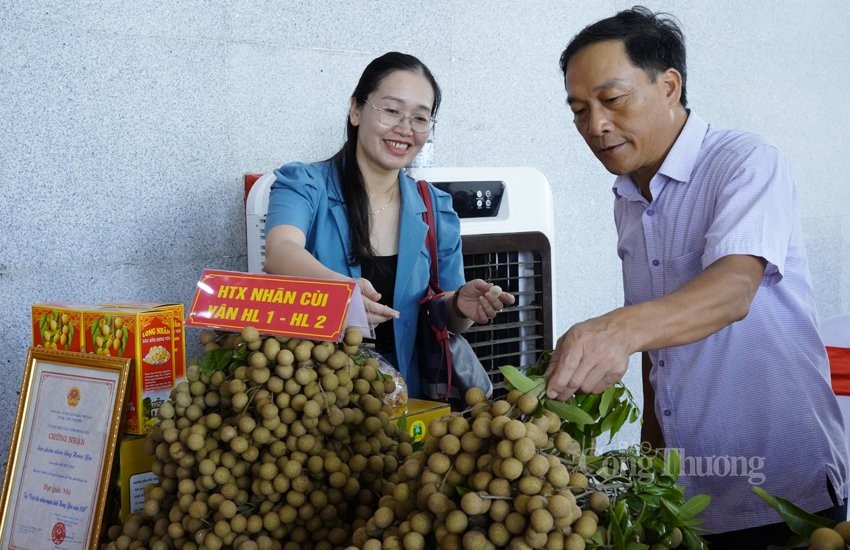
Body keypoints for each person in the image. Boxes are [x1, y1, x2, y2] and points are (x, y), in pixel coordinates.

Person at [546, 6, 847, 547]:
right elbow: (659, 352)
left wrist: (614, 331)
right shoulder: (628, 197)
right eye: (579, 109)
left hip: (779, 484)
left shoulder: (747, 161)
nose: (596, 125)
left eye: (612, 100)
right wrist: (651, 469)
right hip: (687, 496)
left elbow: (733, 289)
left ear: (668, 85)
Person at [263, 52, 514, 399]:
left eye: (420, 118)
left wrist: (460, 306)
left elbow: (448, 317)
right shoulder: (303, 184)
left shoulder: (435, 208)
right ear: (356, 110)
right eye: (392, 111)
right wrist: (342, 292)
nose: (405, 129)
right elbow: (280, 253)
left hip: (406, 399)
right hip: (313, 395)